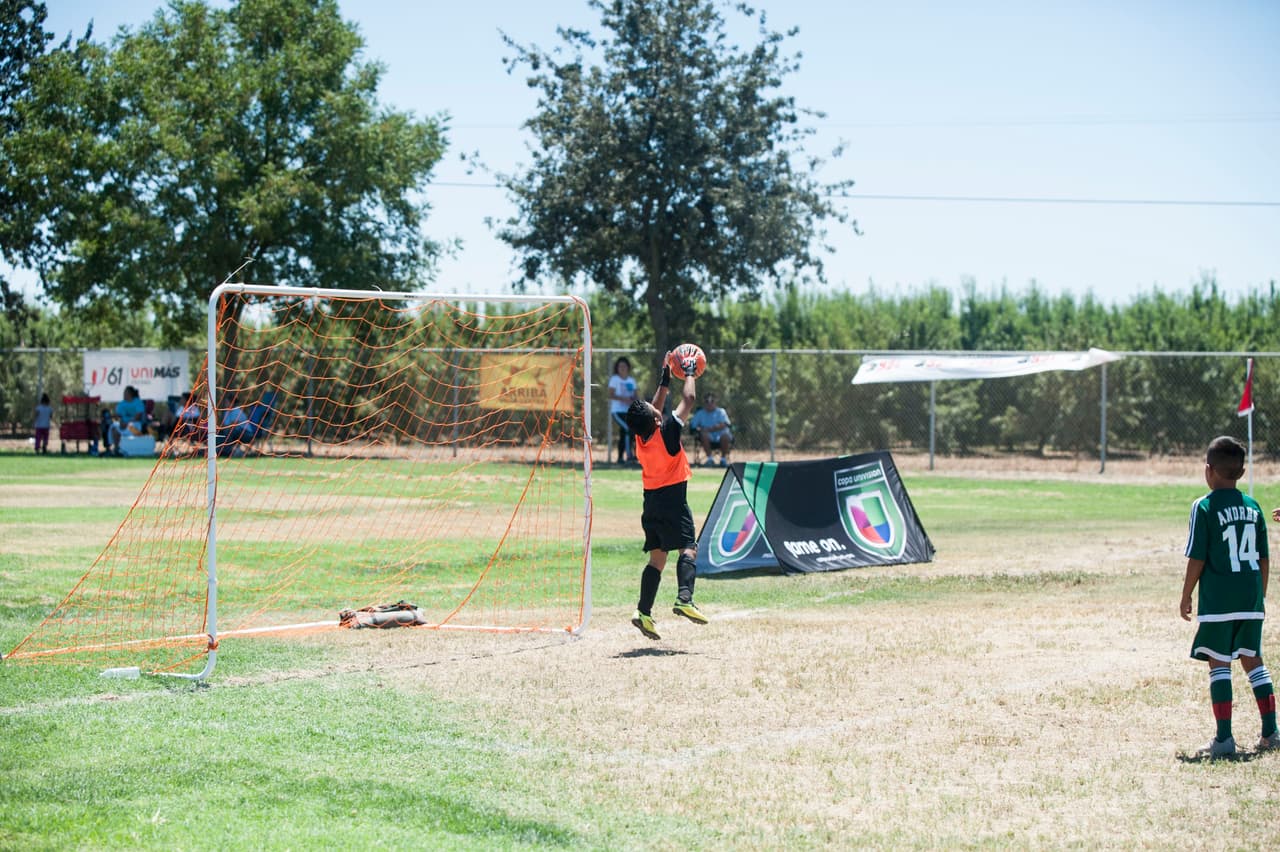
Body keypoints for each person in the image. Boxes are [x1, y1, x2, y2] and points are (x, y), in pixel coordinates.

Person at [1180, 435, 1276, 757]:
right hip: (1250, 599)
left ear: (1208, 470)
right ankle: (1271, 732)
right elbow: (1264, 559)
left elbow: (1197, 557)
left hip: (1219, 601)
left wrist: (1186, 594)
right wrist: (1259, 597)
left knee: (1219, 662)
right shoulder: (1254, 506)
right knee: (1253, 661)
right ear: (1242, 472)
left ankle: (1224, 740)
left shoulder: (1204, 506)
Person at [622, 349, 709, 640]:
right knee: (688, 547)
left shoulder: (642, 437)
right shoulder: (668, 430)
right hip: (673, 500)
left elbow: (655, 408)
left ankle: (643, 613)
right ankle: (685, 598)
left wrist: (665, 376)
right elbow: (689, 399)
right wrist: (689, 372)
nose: (654, 405)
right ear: (657, 419)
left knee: (657, 559)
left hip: (651, 504)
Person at [688, 391, 733, 467]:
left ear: (715, 402)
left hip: (721, 435)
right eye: (707, 401)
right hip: (707, 437)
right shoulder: (700, 413)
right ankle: (710, 459)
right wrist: (700, 430)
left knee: (726, 436)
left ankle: (723, 460)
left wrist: (710, 429)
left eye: (712, 401)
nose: (709, 403)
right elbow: (693, 426)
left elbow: (725, 424)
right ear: (704, 403)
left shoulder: (721, 411)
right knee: (703, 435)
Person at [607, 356, 638, 464]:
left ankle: (622, 457)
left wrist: (633, 400)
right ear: (617, 368)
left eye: (624, 366)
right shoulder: (614, 379)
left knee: (627, 432)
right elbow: (610, 395)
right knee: (627, 429)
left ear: (628, 367)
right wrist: (623, 399)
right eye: (620, 366)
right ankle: (629, 456)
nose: (622, 368)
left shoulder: (631, 380)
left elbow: (635, 395)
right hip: (617, 411)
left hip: (629, 411)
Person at [106, 385, 148, 455]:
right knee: (114, 427)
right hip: (123, 424)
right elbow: (118, 416)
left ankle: (125, 449)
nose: (124, 394)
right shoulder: (121, 404)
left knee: (130, 425)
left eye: (126, 393)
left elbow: (138, 417)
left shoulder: (138, 402)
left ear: (130, 394)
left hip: (135, 425)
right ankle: (116, 449)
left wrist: (126, 423)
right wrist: (114, 418)